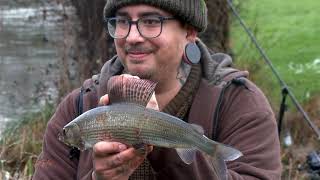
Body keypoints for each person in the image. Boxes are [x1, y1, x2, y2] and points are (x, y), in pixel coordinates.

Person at [33, 0, 282, 179]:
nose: (132, 36)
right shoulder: (77, 109)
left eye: (151, 21)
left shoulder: (241, 105)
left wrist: (162, 142)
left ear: (190, 31)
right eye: (122, 21)